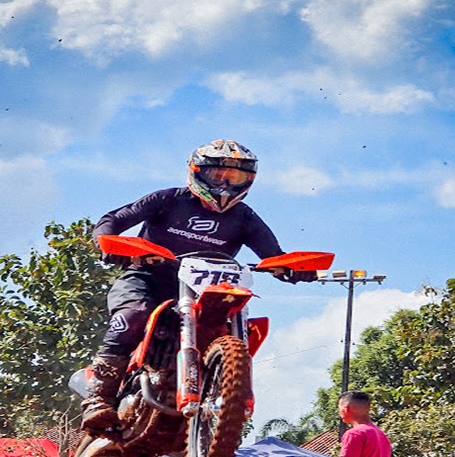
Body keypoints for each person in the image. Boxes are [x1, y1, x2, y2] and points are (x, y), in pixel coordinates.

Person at [81, 139, 317, 432]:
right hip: (148, 279)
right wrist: (109, 245)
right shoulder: (168, 200)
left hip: (203, 290)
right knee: (134, 315)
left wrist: (293, 270)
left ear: (249, 181)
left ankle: (217, 391)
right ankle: (97, 399)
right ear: (197, 172)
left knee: (232, 323)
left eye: (236, 178)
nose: (225, 183)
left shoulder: (244, 217)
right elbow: (113, 219)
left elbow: (273, 256)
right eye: (217, 175)